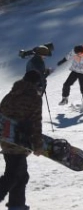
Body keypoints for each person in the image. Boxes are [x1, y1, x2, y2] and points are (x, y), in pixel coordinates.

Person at [0, 70, 45, 210]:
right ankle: (16, 205)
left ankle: (17, 205)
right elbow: (36, 123)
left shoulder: (10, 95)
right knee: (13, 175)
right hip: (21, 141)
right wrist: (38, 145)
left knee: (20, 175)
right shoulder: (34, 98)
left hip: (6, 139)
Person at [57, 44, 83, 111]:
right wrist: (63, 61)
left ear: (82, 52)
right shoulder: (74, 51)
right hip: (75, 71)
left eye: (79, 53)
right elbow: (68, 56)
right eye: (76, 53)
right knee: (66, 84)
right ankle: (65, 99)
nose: (77, 54)